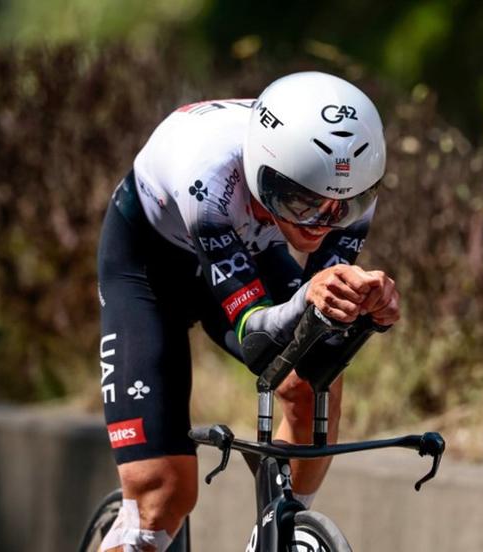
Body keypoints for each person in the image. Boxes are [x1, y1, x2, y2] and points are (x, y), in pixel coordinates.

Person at [96, 71, 399, 551]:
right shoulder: (209, 171)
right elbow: (257, 338)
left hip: (248, 246)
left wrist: (365, 308)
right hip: (150, 268)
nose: (323, 221)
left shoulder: (350, 185)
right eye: (303, 201)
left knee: (313, 379)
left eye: (343, 207)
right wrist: (311, 295)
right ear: (262, 171)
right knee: (161, 498)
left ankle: (281, 534)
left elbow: (321, 330)